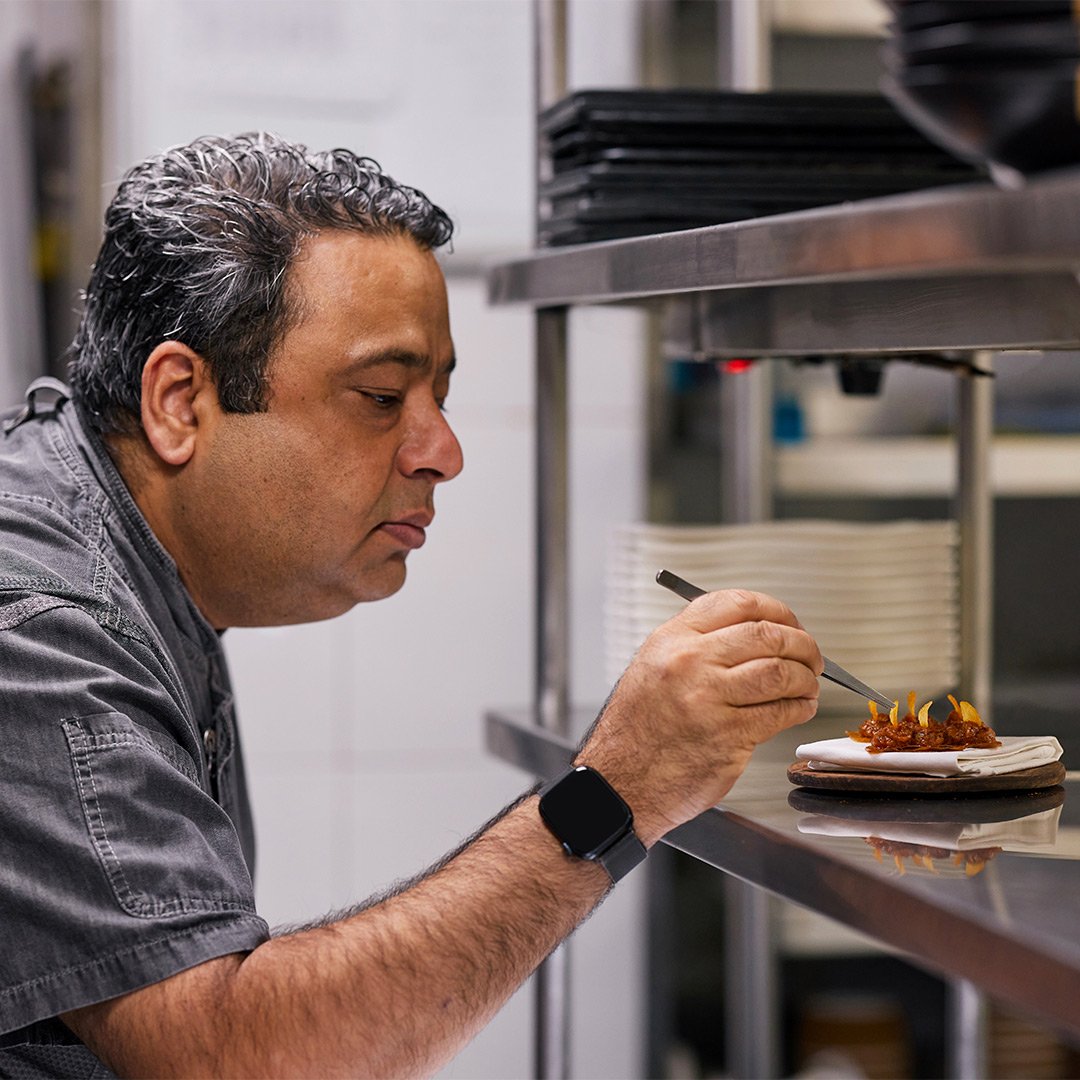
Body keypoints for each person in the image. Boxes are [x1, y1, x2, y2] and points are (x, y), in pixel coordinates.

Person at [0, 132, 823, 1078]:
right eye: (383, 395)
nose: (444, 451)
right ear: (180, 401)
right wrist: (619, 789)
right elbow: (224, 1057)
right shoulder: (39, 626)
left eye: (438, 393)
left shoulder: (120, 549)